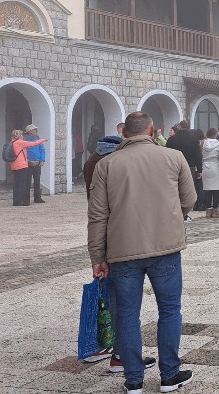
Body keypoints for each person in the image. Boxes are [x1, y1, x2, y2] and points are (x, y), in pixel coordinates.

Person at [87, 111, 195, 394]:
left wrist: (97, 256)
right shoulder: (174, 157)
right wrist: (171, 217)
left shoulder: (106, 164)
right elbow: (190, 199)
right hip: (165, 246)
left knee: (127, 314)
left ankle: (133, 379)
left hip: (122, 250)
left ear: (124, 133)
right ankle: (169, 374)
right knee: (170, 310)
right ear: (152, 130)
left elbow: (97, 214)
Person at [81, 132, 155, 373]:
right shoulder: (113, 164)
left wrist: (97, 252)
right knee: (122, 301)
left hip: (105, 235)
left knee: (111, 295)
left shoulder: (94, 160)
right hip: (122, 236)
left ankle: (107, 346)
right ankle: (120, 355)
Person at [165, 121, 203, 222]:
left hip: (173, 166)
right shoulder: (194, 140)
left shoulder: (171, 140)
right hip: (189, 166)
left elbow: (166, 154)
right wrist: (199, 169)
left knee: (175, 189)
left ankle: (174, 212)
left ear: (179, 127)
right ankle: (185, 214)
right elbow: (198, 155)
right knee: (187, 191)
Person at [9, 129, 47, 206]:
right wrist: (43, 140)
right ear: (18, 135)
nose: (22, 136)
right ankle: (21, 200)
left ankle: (16, 201)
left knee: (16, 184)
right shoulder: (20, 142)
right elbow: (33, 144)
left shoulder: (12, 142)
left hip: (14, 165)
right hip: (21, 165)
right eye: (21, 135)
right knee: (23, 183)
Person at [201, 128, 219, 218]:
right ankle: (215, 209)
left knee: (208, 189)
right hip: (216, 165)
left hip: (206, 166)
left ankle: (208, 209)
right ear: (215, 134)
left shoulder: (203, 143)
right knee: (216, 189)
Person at [23, 124, 47, 204]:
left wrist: (42, 160)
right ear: (29, 131)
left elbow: (42, 150)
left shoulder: (38, 138)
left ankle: (37, 198)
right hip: (28, 163)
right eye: (34, 130)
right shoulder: (25, 139)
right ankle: (26, 199)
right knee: (27, 182)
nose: (36, 131)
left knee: (37, 181)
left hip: (37, 162)